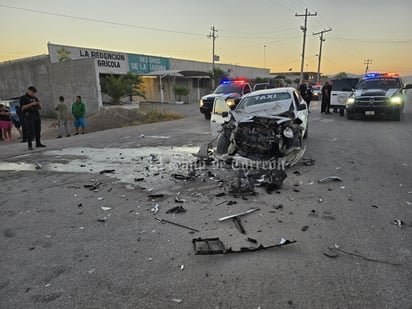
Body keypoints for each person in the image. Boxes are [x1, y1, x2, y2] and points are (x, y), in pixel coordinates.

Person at [19, 86, 46, 150]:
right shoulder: (23, 98)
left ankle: (38, 143)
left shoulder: (35, 98)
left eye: (34, 93)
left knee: (38, 129)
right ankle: (30, 145)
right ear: (29, 91)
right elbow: (23, 107)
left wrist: (39, 104)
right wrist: (32, 104)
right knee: (30, 130)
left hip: (36, 114)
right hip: (29, 115)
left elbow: (40, 106)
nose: (33, 94)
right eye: (32, 92)